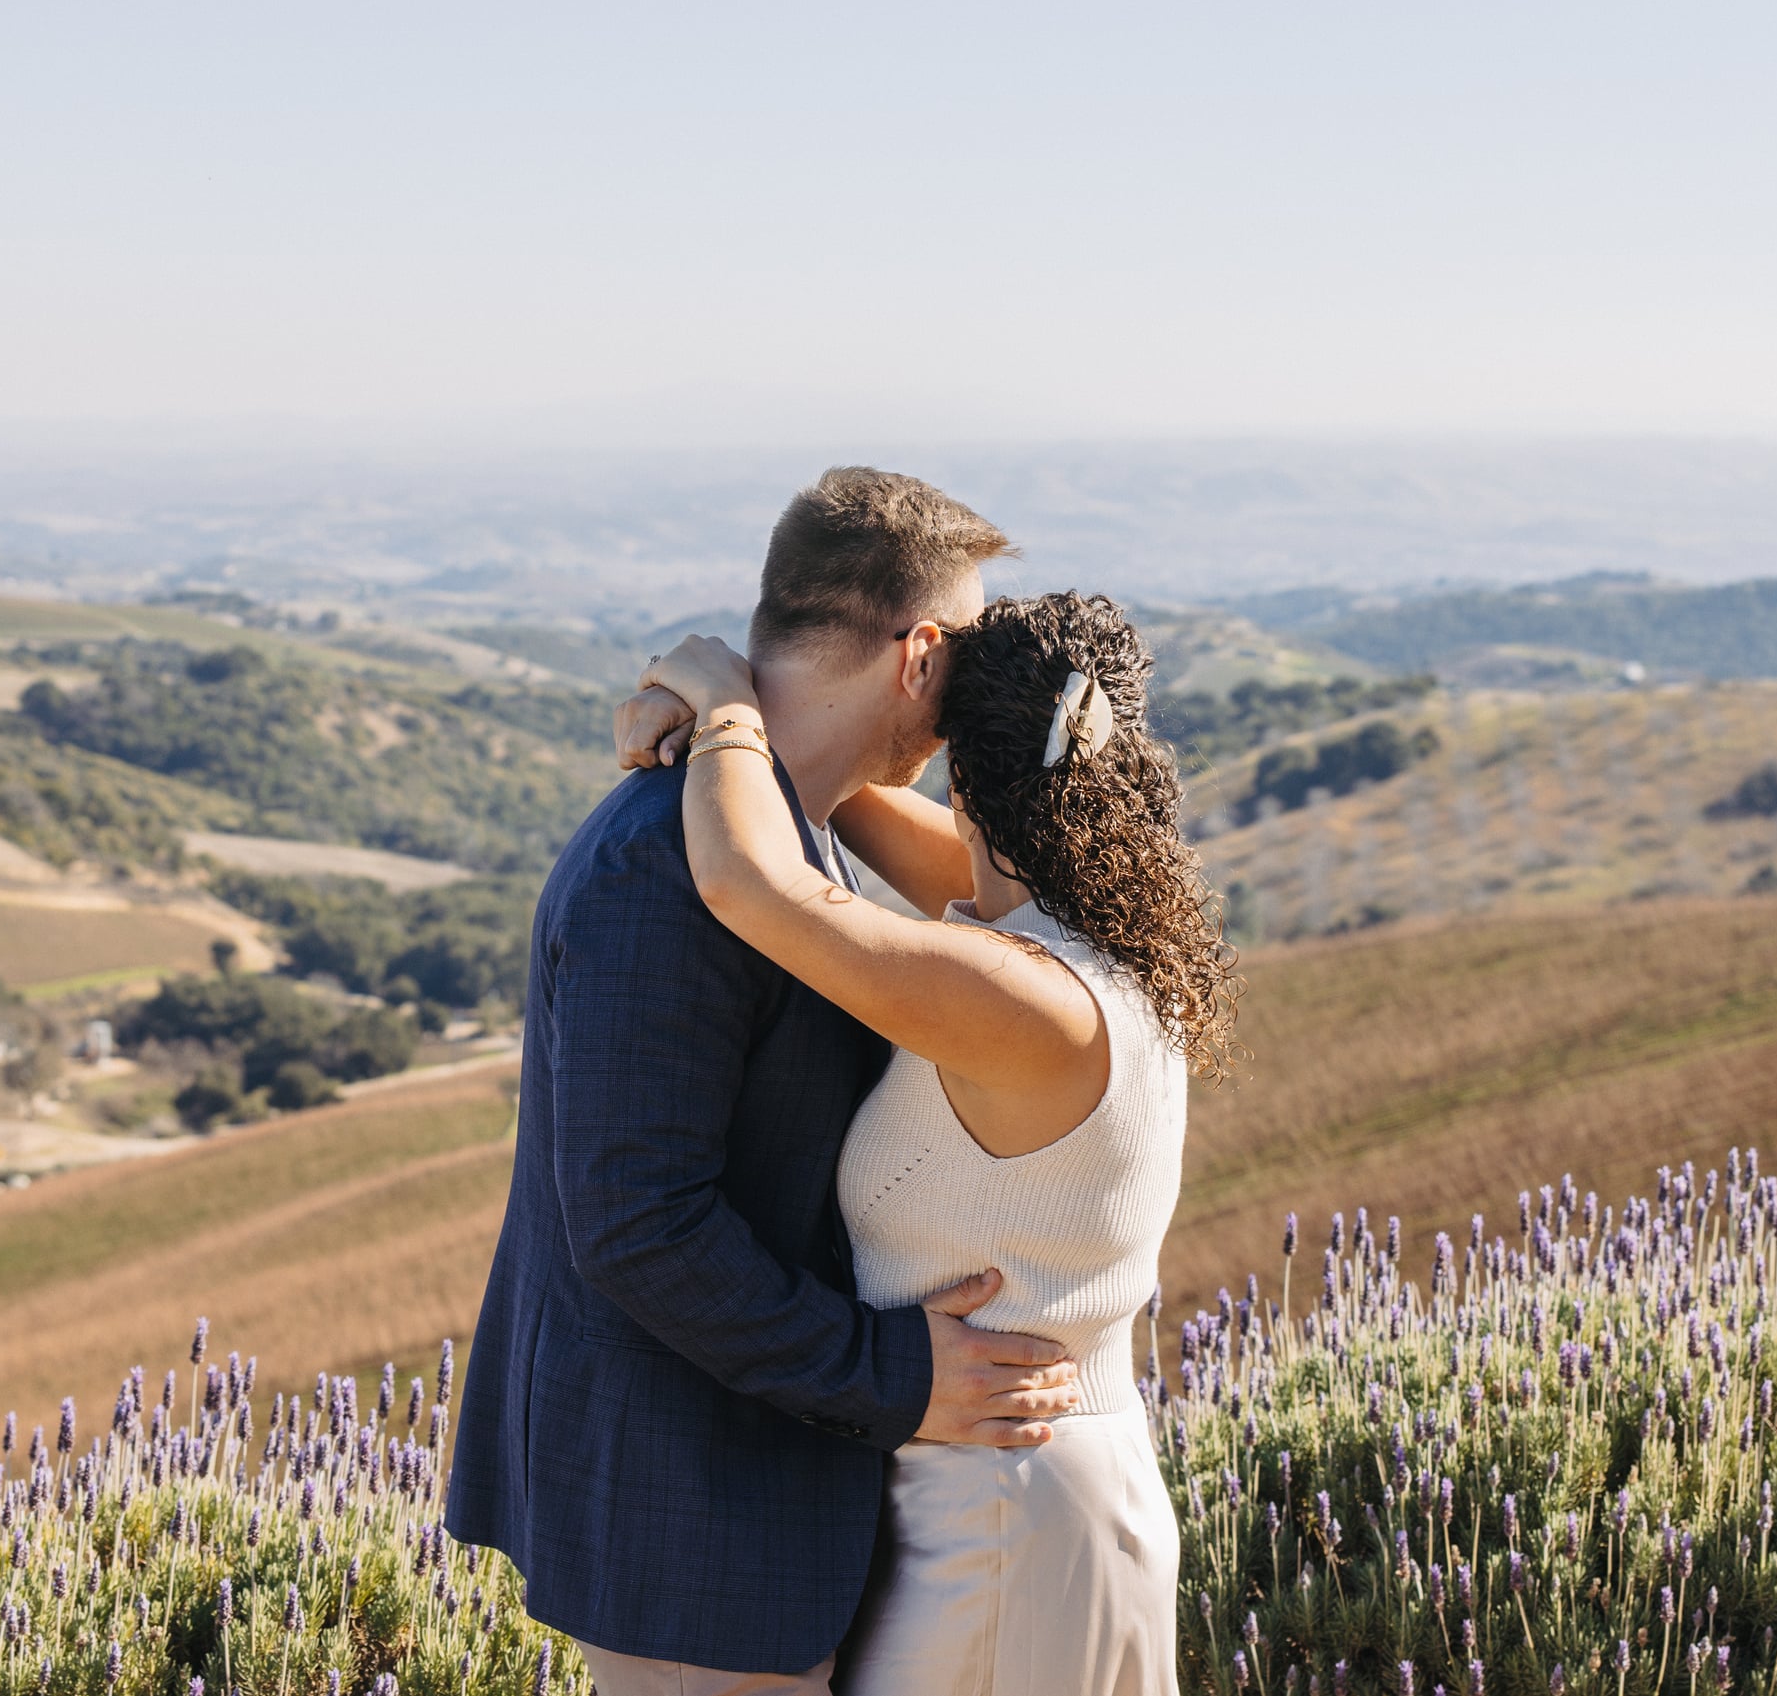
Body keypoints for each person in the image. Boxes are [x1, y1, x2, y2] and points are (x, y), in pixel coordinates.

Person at [445, 469, 1089, 1695]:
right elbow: (637, 1223)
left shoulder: (788, 826)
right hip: (689, 1520)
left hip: (749, 1493)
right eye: (966, 659)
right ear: (921, 654)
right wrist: (894, 1373)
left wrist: (726, 703)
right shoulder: (660, 865)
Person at [630, 587, 1233, 1696]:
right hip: (1043, 1490)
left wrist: (723, 705)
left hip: (999, 1516)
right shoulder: (1096, 933)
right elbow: (852, 804)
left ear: (962, 771)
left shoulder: (1025, 998)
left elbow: (750, 881)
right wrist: (776, 730)